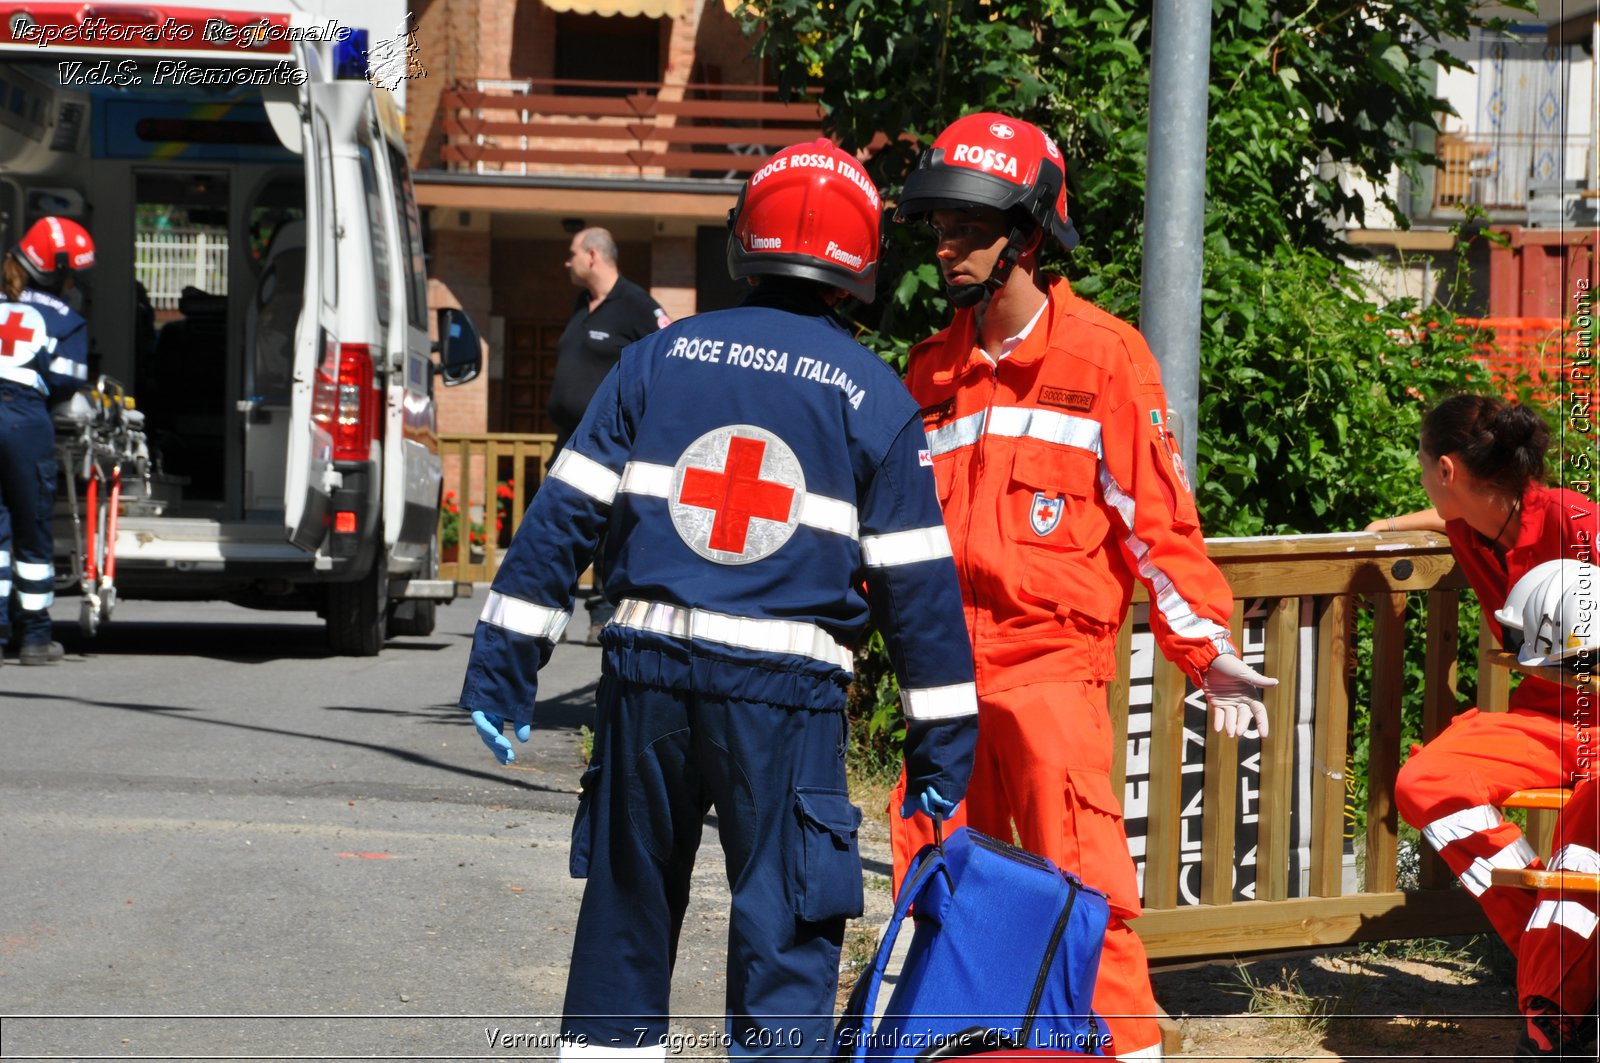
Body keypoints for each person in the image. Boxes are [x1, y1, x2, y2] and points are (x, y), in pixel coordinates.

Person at [458, 138, 977, 1060]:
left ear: (747, 240)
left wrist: (504, 670)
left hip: (646, 678)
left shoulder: (658, 359)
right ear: (858, 265)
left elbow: (559, 522)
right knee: (784, 932)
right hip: (785, 700)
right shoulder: (875, 397)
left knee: (627, 907)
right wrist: (944, 748)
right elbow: (920, 593)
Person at [887, 111, 1277, 1062]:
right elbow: (886, 534)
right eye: (941, 227)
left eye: (970, 228)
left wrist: (1208, 648)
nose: (949, 245)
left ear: (1026, 233)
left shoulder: (1103, 359)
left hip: (1051, 674)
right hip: (941, 678)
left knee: (1084, 885)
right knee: (929, 883)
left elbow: (1160, 523)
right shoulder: (931, 371)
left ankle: (1130, 1053)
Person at [1374, 394, 1599, 1057]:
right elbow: (1443, 519)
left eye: (1422, 468)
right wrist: (1388, 522)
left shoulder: (1576, 521)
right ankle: (1549, 949)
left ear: (1446, 468)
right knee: (1427, 782)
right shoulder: (1472, 522)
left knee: (1589, 812)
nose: (1422, 481)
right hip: (1541, 718)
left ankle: (1552, 1007)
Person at [547, 227, 671, 645]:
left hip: (610, 444)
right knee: (555, 527)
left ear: (594, 256)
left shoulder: (636, 305)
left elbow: (667, 357)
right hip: (567, 440)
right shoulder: (581, 305)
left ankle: (601, 612)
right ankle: (548, 613)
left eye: (572, 254)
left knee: (602, 532)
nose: (567, 263)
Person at [0, 217, 93, 666]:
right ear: (57, 272)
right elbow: (65, 384)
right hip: (24, 422)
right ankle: (36, 637)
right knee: (32, 530)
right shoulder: (66, 320)